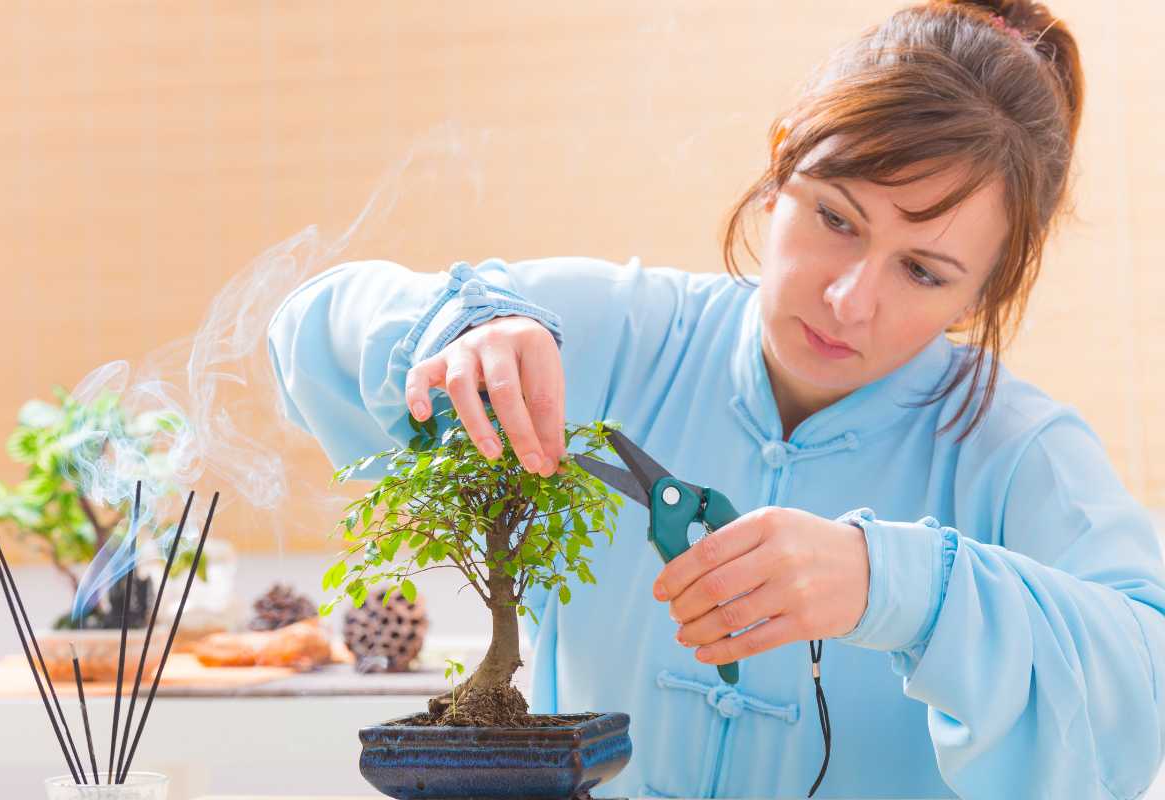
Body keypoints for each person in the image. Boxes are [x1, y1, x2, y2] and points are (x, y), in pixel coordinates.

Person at [266, 0, 1165, 796]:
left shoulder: (1020, 450)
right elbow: (311, 330)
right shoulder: (612, 330)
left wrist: (903, 589)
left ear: (985, 291)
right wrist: (462, 329)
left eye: (924, 271)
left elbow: (1143, 680)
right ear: (781, 170)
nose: (850, 299)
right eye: (836, 218)